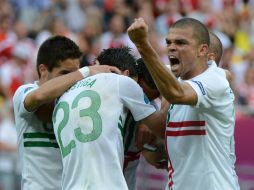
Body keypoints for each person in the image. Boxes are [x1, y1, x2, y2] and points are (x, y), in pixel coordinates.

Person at [127, 17, 240, 190]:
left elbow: (175, 93)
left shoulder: (215, 80)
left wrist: (142, 44)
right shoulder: (176, 81)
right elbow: (156, 153)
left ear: (203, 51)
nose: (171, 47)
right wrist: (143, 116)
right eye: (169, 42)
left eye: (181, 43)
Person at [12, 35, 121, 190]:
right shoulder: (25, 92)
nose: (72, 80)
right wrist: (86, 72)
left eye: (74, 73)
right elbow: (39, 97)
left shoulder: (76, 102)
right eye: (65, 73)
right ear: (43, 70)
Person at [52, 47, 165, 190]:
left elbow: (153, 156)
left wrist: (149, 123)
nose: (142, 98)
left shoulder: (67, 96)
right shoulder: (118, 87)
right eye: (140, 92)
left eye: (149, 98)